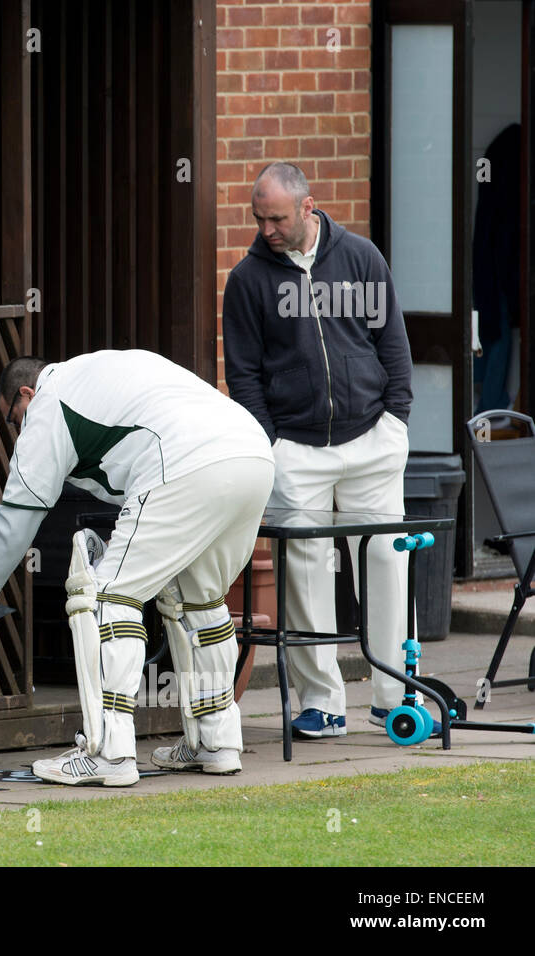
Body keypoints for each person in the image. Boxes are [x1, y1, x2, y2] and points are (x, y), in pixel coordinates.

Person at [0, 350, 274, 786]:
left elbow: (15, 519)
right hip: (252, 453)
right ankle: (217, 743)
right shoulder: (98, 371)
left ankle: (107, 751)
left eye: (13, 420)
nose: (18, 432)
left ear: (26, 393)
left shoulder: (49, 401)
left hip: (187, 461)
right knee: (201, 602)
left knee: (107, 596)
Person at [222, 161, 421, 740]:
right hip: (296, 451)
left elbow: (394, 344)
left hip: (372, 440)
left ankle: (394, 696)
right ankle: (322, 703)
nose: (267, 230)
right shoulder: (248, 280)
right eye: (259, 219)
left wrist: (396, 422)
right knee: (303, 573)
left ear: (308, 208)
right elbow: (245, 375)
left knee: (385, 561)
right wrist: (273, 445)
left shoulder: (362, 259)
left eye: (277, 218)